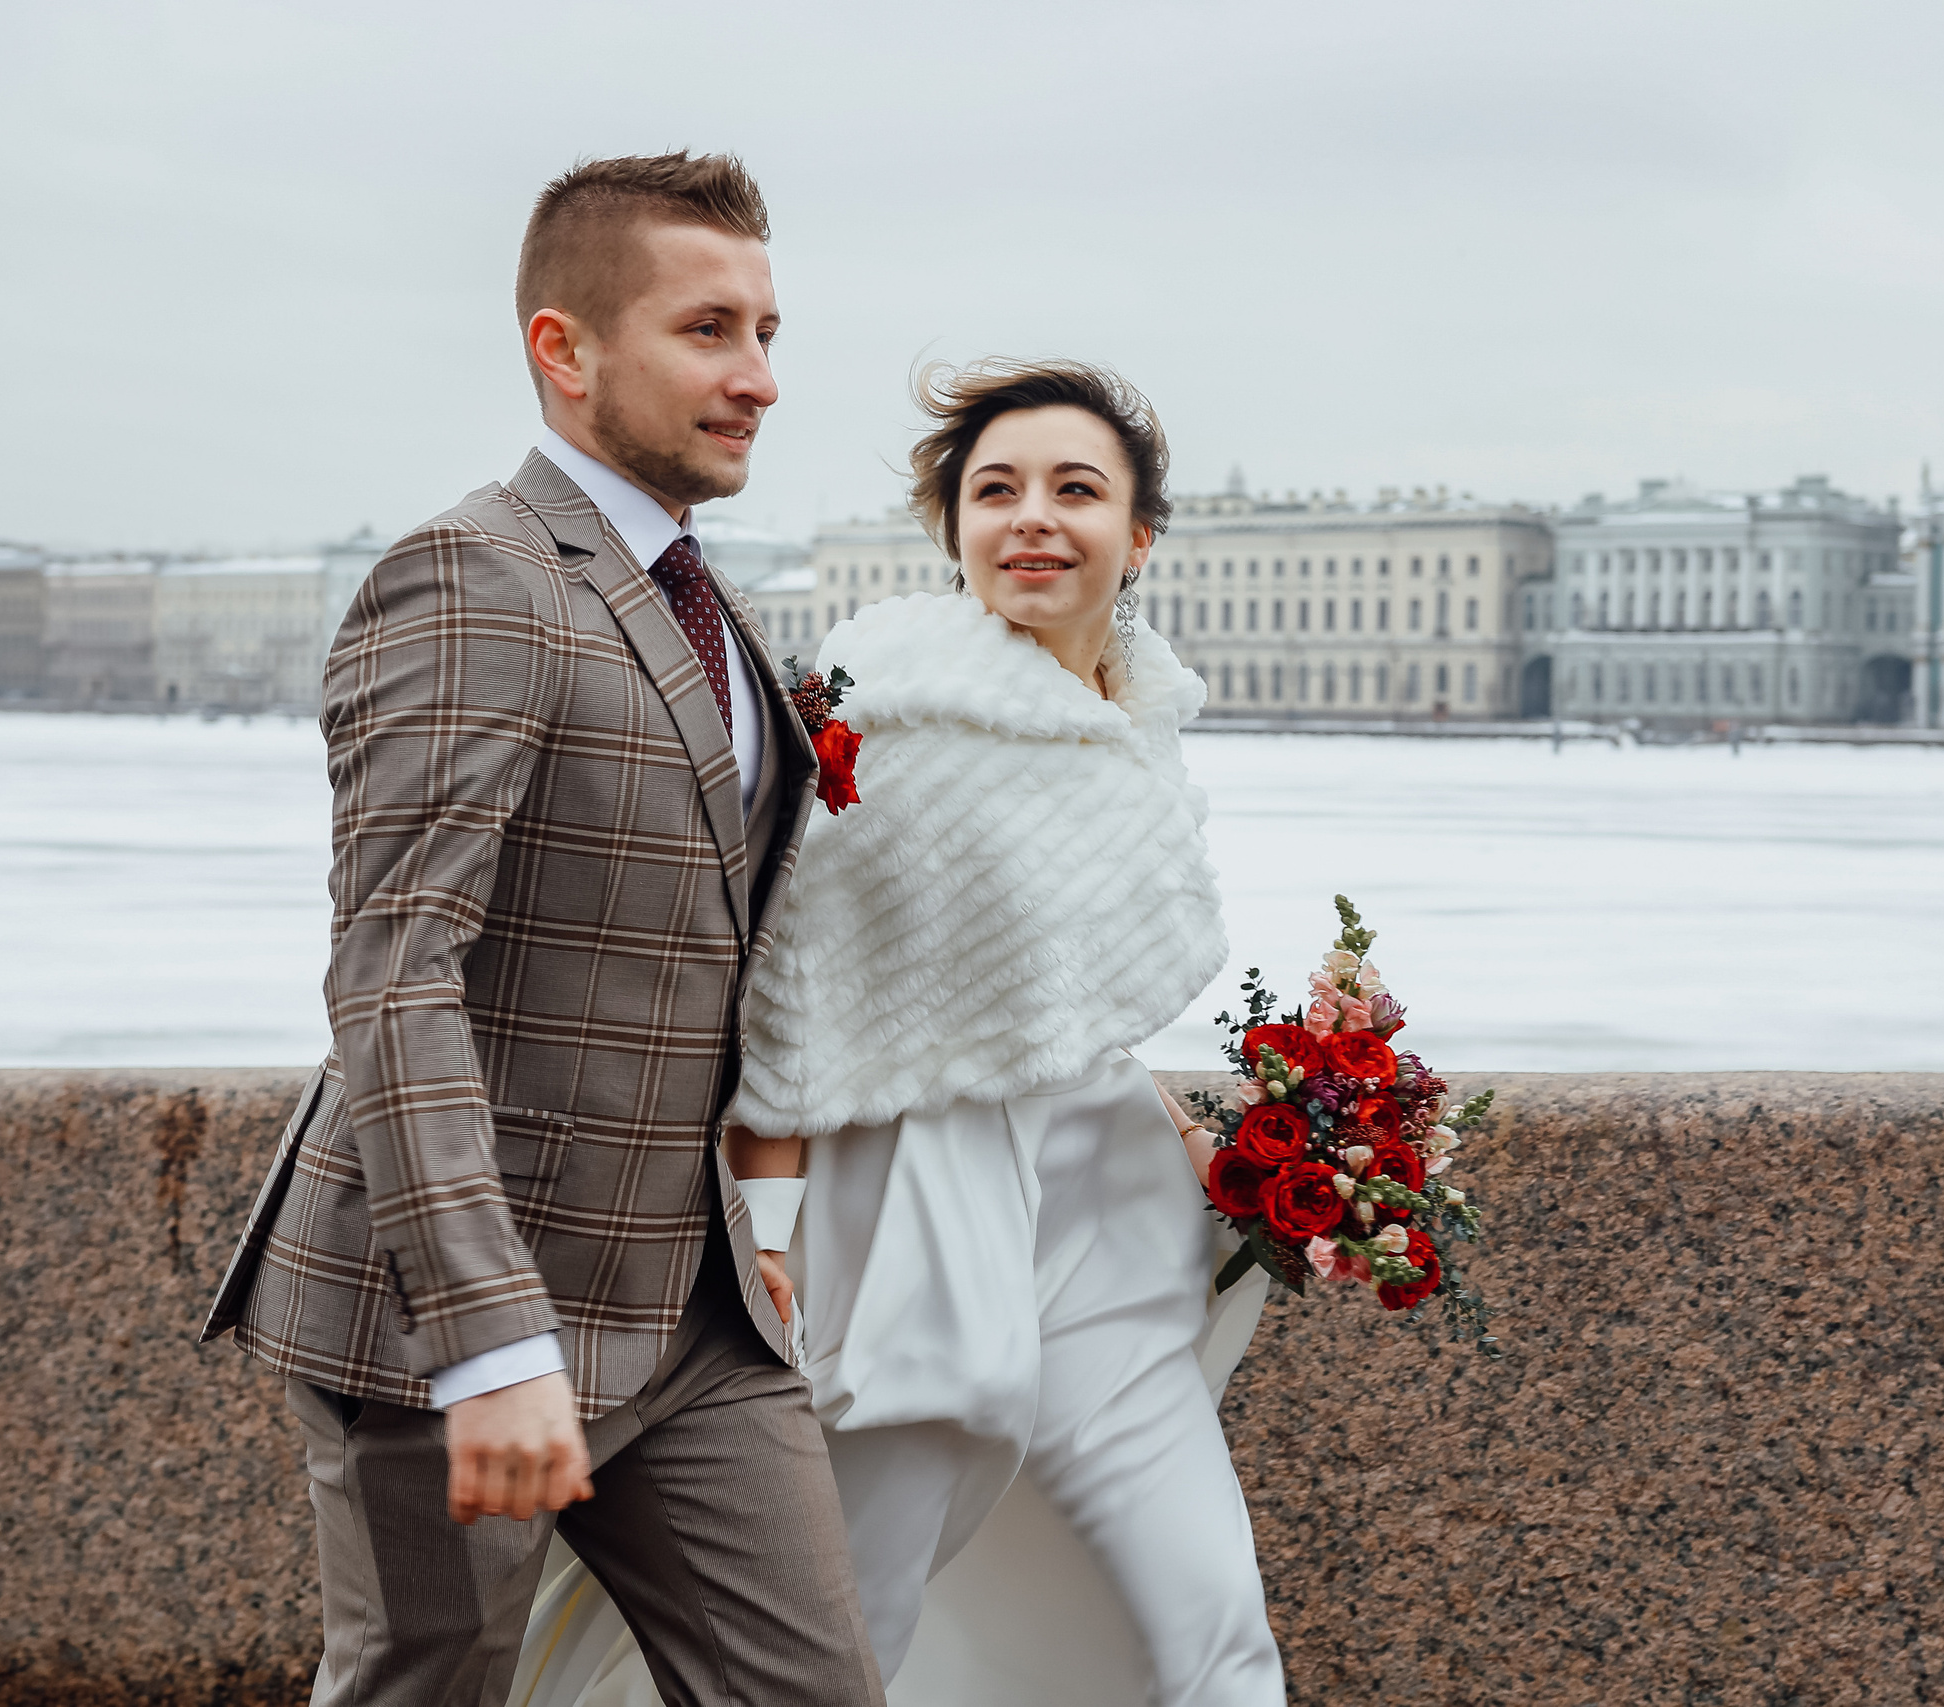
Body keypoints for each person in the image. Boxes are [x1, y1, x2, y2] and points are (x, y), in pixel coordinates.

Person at [199, 153, 883, 1707]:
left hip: (695, 1311)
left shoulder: (715, 610)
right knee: (425, 1689)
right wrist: (491, 1343)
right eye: (710, 330)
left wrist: (752, 1234)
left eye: (770, 333)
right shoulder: (470, 579)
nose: (761, 378)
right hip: (458, 1307)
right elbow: (395, 975)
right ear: (564, 352)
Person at [511, 361, 1285, 1707]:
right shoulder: (894, 721)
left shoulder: (1136, 719)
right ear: (957, 531)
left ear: (1140, 536)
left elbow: (1021, 982)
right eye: (997, 491)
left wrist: (1146, 1091)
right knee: (831, 1643)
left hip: (1105, 1230)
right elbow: (793, 1007)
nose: (1032, 517)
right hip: (910, 1217)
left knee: (1211, 1633)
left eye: (1075, 489)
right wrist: (757, 1247)